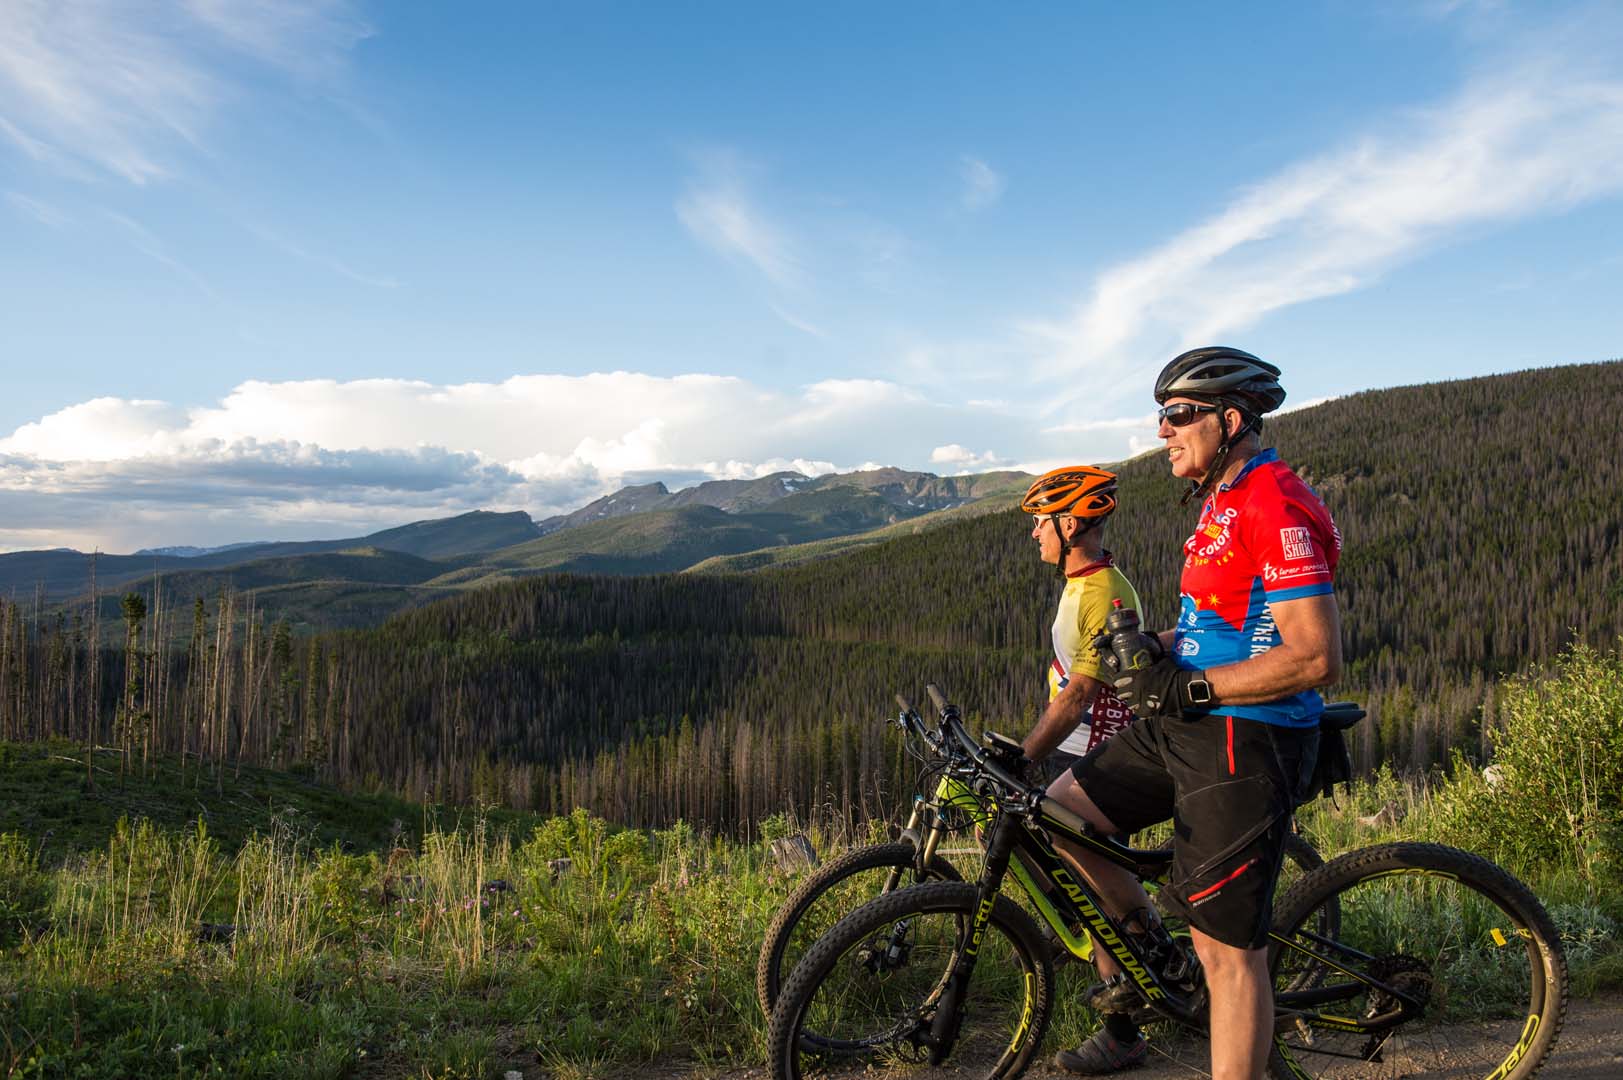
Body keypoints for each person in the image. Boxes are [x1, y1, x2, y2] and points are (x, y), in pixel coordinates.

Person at [1046, 347, 1342, 1078]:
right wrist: (1156, 646)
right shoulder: (1222, 499)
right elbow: (1223, 622)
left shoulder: (1273, 500)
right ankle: (1158, 961)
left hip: (1249, 735)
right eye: (1162, 416)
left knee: (1227, 952)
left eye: (1178, 416)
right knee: (1061, 814)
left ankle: (1209, 983)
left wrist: (1193, 688)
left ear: (1231, 419)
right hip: (1191, 724)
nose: (1162, 432)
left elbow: (1312, 656)